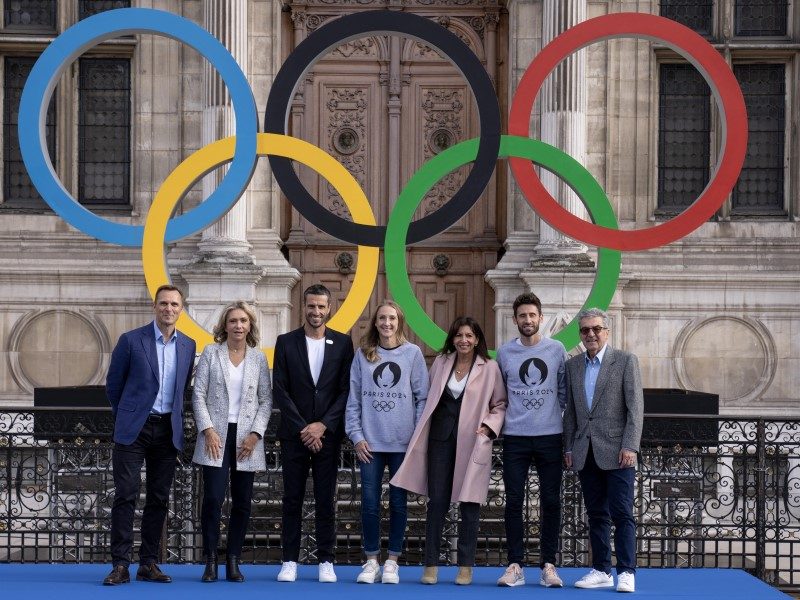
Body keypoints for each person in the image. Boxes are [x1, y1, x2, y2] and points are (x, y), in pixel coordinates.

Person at [392, 316, 507, 586]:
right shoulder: (441, 363)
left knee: (469, 504)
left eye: (469, 336)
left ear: (477, 339)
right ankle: (431, 564)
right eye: (459, 335)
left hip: (473, 441)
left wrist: (490, 428)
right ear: (452, 339)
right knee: (437, 503)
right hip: (439, 441)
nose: (464, 340)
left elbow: (500, 404)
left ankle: (465, 566)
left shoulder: (490, 367)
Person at [103, 285, 196, 586]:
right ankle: (120, 565)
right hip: (134, 429)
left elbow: (183, 390)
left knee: (158, 498)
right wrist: (128, 416)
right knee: (126, 494)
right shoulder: (131, 340)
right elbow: (113, 385)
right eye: (164, 303)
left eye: (174, 304)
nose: (169, 309)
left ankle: (148, 563)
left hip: (168, 430)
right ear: (155, 307)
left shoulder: (188, 345)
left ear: (182, 309)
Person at [272, 284, 355, 583]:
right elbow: (279, 388)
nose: (316, 312)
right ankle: (289, 560)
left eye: (321, 306)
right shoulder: (285, 342)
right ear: (303, 307)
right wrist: (304, 427)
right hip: (295, 436)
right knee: (291, 498)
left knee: (325, 498)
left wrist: (324, 425)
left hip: (328, 437)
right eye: (311, 306)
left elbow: (346, 390)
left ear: (329, 308)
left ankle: (326, 560)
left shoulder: (344, 344)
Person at [345, 300, 429, 584]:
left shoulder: (413, 354)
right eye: (382, 318)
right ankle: (371, 561)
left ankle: (392, 561)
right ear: (375, 322)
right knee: (369, 503)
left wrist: (416, 438)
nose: (387, 323)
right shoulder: (363, 355)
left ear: (399, 321)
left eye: (392, 318)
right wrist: (356, 436)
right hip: (369, 446)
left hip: (402, 446)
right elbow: (353, 399)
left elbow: (423, 398)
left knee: (398, 504)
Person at [563, 308, 643, 594]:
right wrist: (569, 446)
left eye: (596, 329)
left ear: (606, 331)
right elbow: (570, 412)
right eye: (585, 330)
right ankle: (601, 569)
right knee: (596, 514)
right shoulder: (573, 366)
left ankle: (626, 571)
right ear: (580, 334)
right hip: (585, 451)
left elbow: (635, 409)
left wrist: (631, 445)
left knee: (622, 513)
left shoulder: (624, 361)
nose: (591, 334)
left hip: (618, 451)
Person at [192, 302, 272, 583]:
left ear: (250, 326)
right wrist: (208, 429)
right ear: (224, 325)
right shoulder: (211, 354)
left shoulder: (258, 359)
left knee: (242, 502)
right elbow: (197, 394)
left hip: (246, 440)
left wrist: (255, 434)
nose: (238, 326)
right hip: (215, 436)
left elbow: (266, 400)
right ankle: (211, 559)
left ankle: (233, 559)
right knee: (212, 498)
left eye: (243, 321)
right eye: (233, 321)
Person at [496, 292, 568, 588]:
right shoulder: (505, 353)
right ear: (515, 320)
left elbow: (564, 390)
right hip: (515, 438)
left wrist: (553, 415)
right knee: (513, 501)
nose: (527, 320)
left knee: (551, 501)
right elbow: (499, 392)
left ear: (541, 317)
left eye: (532, 315)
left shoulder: (557, 349)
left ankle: (548, 565)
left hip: (551, 436)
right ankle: (515, 565)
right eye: (522, 316)